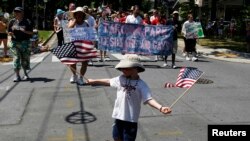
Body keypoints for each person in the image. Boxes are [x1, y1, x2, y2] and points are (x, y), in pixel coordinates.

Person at [86, 54, 172, 141]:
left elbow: (149, 99)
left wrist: (160, 107)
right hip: (119, 117)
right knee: (116, 137)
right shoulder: (121, 79)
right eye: (122, 68)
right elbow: (108, 81)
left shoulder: (142, 85)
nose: (123, 70)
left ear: (136, 68)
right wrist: (94, 81)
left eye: (126, 68)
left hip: (131, 120)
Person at [8, 7, 33, 82]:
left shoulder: (27, 21)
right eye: (15, 12)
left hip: (25, 43)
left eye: (18, 12)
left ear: (22, 13)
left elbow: (31, 32)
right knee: (16, 58)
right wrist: (10, 33)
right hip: (15, 43)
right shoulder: (12, 21)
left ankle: (25, 74)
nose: (16, 13)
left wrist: (23, 30)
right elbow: (9, 32)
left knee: (25, 59)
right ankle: (17, 76)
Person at [67, 7, 90, 85]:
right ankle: (74, 75)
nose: (79, 16)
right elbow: (68, 29)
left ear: (83, 15)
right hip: (73, 45)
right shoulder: (71, 21)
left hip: (83, 46)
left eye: (81, 14)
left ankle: (81, 77)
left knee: (85, 63)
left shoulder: (86, 23)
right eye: (77, 14)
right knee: (72, 63)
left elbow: (89, 34)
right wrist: (74, 22)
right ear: (75, 15)